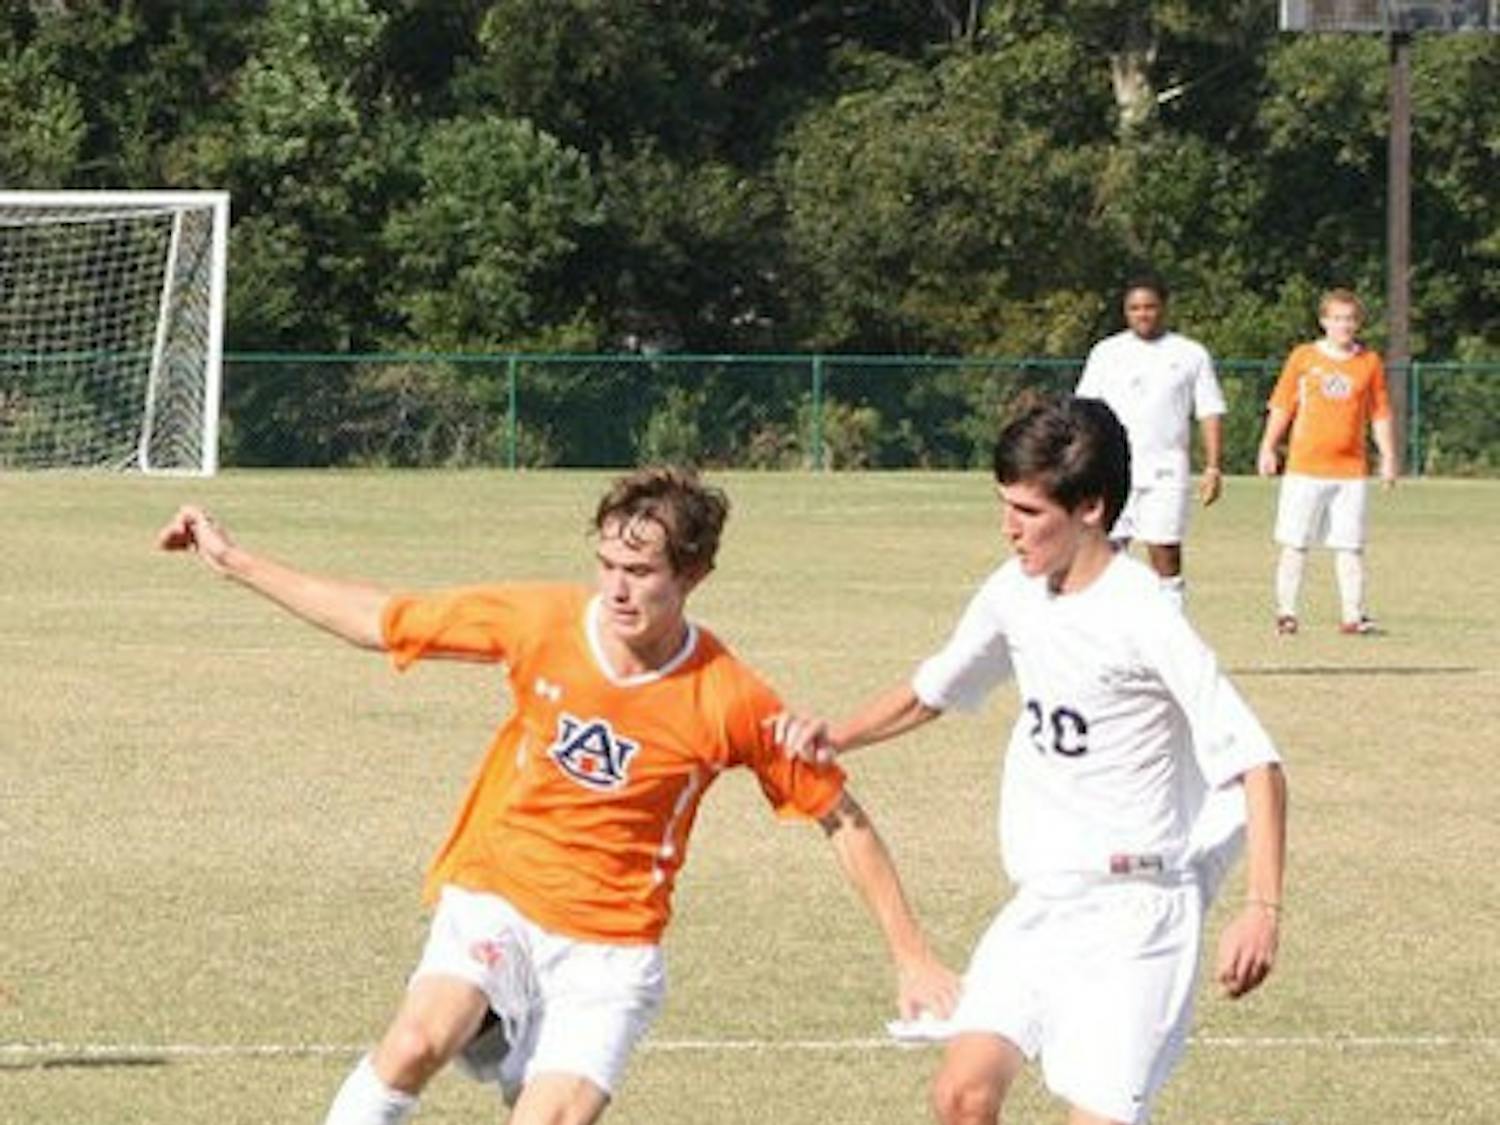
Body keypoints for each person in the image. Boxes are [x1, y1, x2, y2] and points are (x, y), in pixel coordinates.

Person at [156, 466, 958, 1125]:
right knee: (415, 1039)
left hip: (610, 951)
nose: (615, 588)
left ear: (694, 575)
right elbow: (382, 619)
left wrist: (912, 954)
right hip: (498, 893)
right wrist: (237, 561)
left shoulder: (729, 696)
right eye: (607, 564)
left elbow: (840, 817)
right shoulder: (540, 621)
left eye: (640, 572)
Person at [782, 398, 1286, 1125]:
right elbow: (935, 689)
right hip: (1045, 903)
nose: (1008, 526)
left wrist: (1261, 910)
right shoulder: (1014, 588)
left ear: (1090, 506)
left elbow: (1260, 766)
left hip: (1137, 917)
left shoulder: (1143, 612)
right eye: (1003, 504)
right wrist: (837, 734)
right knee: (961, 1094)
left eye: (1027, 509)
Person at [1075, 273, 1226, 611]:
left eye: (1150, 307)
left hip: (1167, 469)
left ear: (1164, 308)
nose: (1143, 314)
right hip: (1113, 470)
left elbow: (1210, 411)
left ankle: (1170, 633)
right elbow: (1084, 410)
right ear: (1125, 312)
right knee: (1105, 553)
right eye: (1135, 308)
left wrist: (1213, 467)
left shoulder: (1190, 354)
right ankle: (1107, 637)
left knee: (1165, 551)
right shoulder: (1107, 352)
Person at [1256, 287, 1398, 636]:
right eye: (1336, 319)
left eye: (1349, 319)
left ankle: (1353, 615)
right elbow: (1282, 404)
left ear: (1358, 323)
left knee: (1350, 546)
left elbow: (1380, 413)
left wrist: (1389, 456)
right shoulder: (1304, 357)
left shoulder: (1369, 363)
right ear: (1323, 321)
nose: (1343, 326)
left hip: (1350, 471)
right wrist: (1268, 446)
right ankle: (1286, 613)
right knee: (1295, 543)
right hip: (1305, 468)